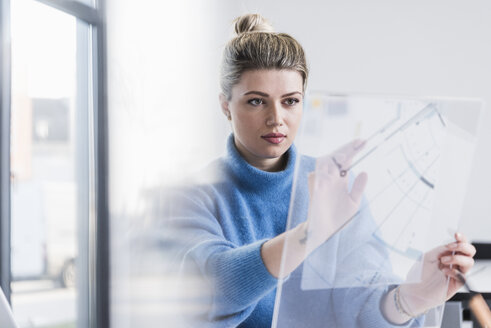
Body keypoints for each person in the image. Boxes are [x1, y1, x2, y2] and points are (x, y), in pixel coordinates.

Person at [164, 13, 476, 327]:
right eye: (257, 101)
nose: (276, 119)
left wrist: (408, 299)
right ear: (225, 106)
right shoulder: (192, 196)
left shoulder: (336, 184)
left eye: (290, 101)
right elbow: (208, 292)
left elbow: (358, 303)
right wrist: (310, 233)